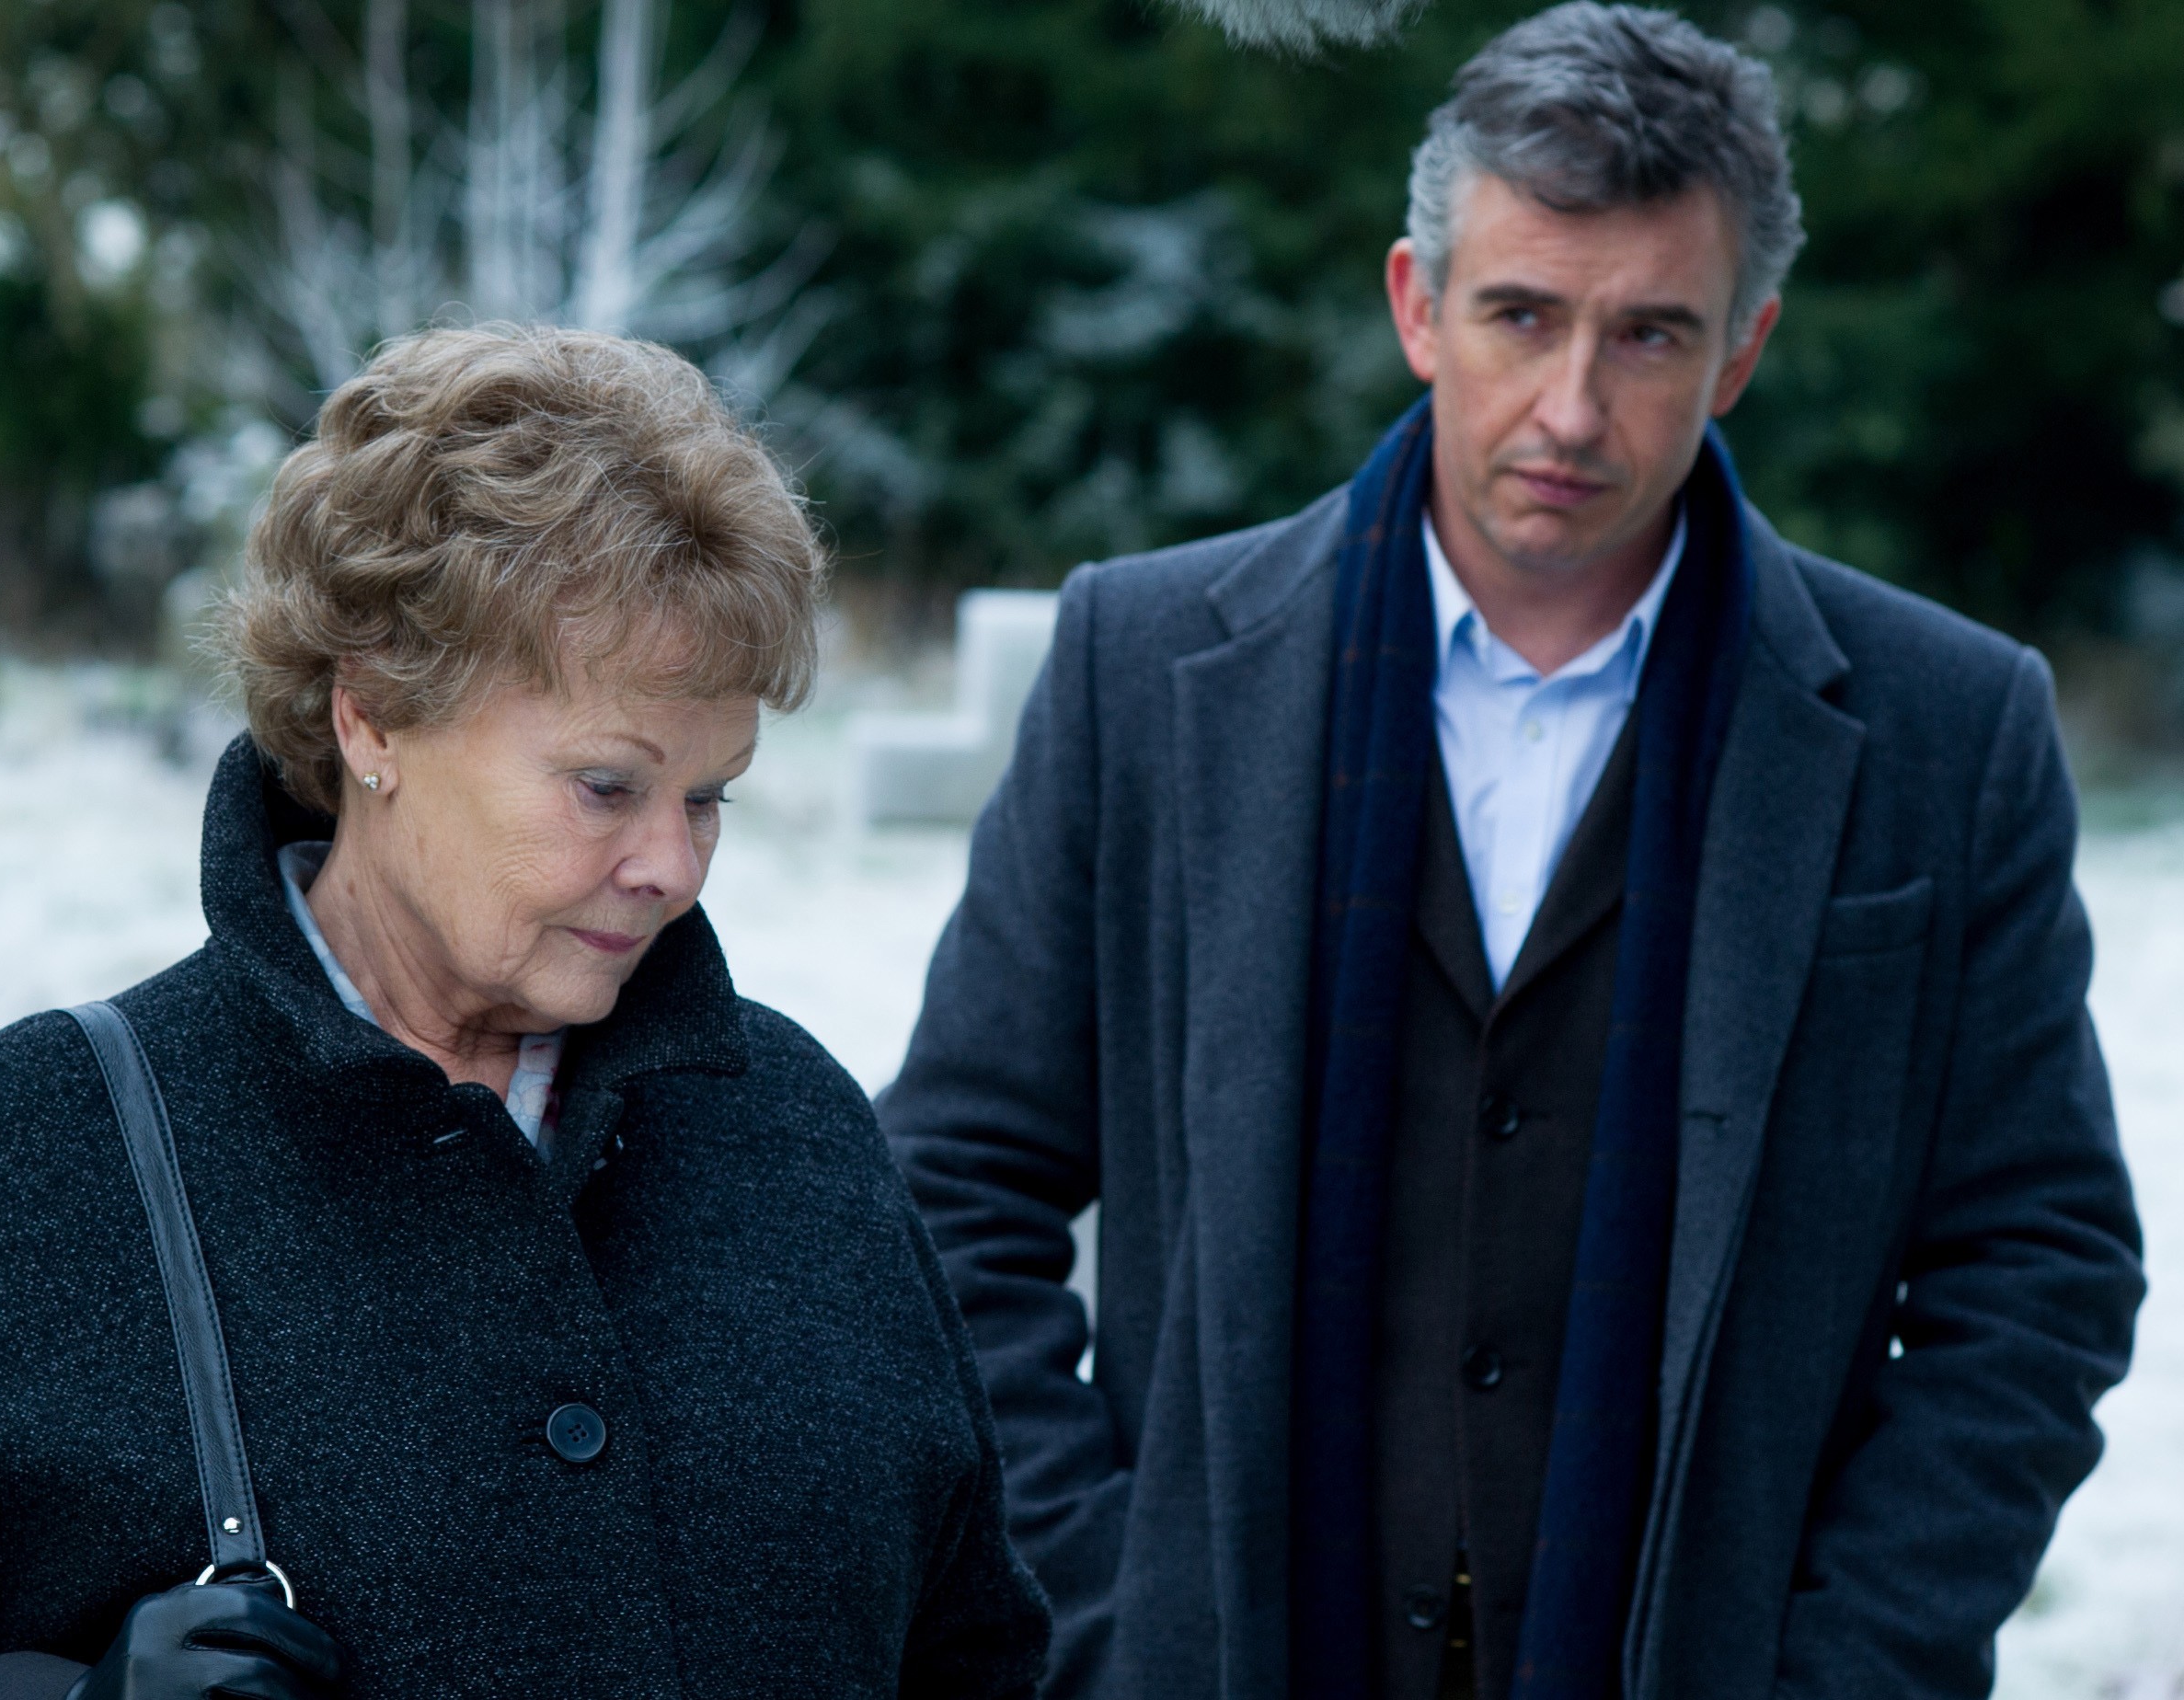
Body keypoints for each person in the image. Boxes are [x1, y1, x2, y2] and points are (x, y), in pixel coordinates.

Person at [878, 7, 2144, 1699]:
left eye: (1650, 335)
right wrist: (1111, 1619)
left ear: (1743, 351)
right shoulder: (1144, 667)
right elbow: (948, 1184)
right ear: (1418, 305)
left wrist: (1852, 1664)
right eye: (1523, 315)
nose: (1571, 407)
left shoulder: (1947, 730)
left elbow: (2039, 1265)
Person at [0, 326, 1050, 1700]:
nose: (672, 865)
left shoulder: (795, 1129)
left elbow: (976, 1652)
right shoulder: (33, 1151)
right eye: (607, 787)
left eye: (710, 795)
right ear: (370, 718)